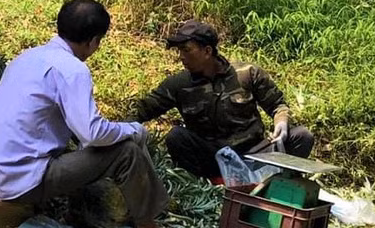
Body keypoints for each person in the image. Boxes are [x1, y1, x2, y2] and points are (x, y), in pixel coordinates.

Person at [0, 0, 197, 228]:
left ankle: (83, 211)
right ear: (94, 41)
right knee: (126, 151)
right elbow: (93, 133)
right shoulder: (72, 70)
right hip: (16, 182)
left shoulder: (27, 57)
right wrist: (133, 129)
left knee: (84, 146)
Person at [130, 20, 314, 181]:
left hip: (257, 153)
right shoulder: (178, 85)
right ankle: (215, 185)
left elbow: (278, 105)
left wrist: (281, 122)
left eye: (187, 50)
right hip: (214, 159)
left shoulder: (247, 74)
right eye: (179, 51)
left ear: (207, 51)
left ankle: (274, 182)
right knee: (176, 137)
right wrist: (111, 131)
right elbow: (142, 110)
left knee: (302, 136)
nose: (181, 57)